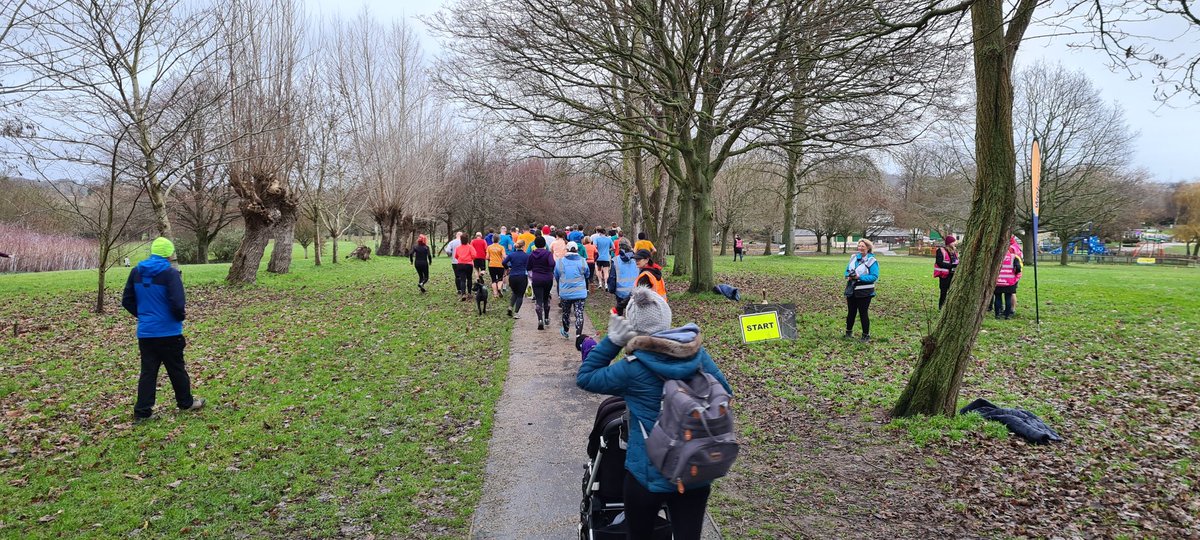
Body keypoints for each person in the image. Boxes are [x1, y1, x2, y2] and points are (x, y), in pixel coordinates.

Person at [576, 288, 732, 540]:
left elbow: (585, 378)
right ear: (667, 318)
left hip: (647, 476)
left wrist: (612, 341)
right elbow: (725, 393)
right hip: (695, 468)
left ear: (633, 327)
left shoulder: (632, 368)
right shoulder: (698, 355)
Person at [121, 237, 204, 422]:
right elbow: (178, 303)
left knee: (148, 372)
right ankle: (186, 403)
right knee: (176, 369)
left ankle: (142, 412)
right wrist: (179, 317)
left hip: (146, 332)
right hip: (169, 332)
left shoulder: (136, 272)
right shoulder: (170, 273)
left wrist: (143, 316)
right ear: (169, 254)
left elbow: (127, 300)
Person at [844, 239, 879, 343]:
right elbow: (846, 270)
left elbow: (874, 276)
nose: (860, 248)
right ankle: (848, 332)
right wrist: (848, 276)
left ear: (868, 248)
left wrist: (859, 277)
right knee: (851, 312)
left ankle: (865, 335)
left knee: (863, 313)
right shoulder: (853, 258)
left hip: (865, 292)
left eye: (863, 246)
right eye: (859, 246)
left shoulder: (872, 261)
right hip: (852, 289)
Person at [555, 241, 590, 339]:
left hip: (565, 293)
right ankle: (578, 334)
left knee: (566, 313)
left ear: (567, 250)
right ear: (577, 250)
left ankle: (566, 331)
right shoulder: (583, 261)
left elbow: (557, 276)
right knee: (579, 313)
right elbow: (587, 275)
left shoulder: (560, 262)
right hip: (580, 293)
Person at [528, 236, 556, 330]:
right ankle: (547, 318)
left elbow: (528, 267)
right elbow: (552, 264)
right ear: (544, 244)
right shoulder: (548, 254)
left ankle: (540, 320)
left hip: (536, 278)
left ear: (535, 244)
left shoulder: (532, 255)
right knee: (546, 298)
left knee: (538, 299)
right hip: (548, 278)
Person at [993, 235, 1022, 319]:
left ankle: (997, 315)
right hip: (1009, 281)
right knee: (1008, 298)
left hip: (998, 281)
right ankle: (1007, 315)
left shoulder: (997, 257)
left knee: (997, 298)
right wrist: (1014, 274)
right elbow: (1018, 268)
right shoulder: (1013, 257)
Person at [503, 239, 530, 318]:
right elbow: (529, 266)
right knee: (520, 295)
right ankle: (516, 313)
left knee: (514, 292)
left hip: (512, 276)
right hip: (522, 276)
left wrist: (507, 268)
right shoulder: (526, 256)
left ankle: (510, 307)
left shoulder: (511, 255)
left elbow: (504, 262)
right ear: (523, 246)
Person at [612, 239, 639, 315]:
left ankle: (620, 322)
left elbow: (612, 278)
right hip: (635, 291)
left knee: (619, 310)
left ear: (620, 247)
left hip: (620, 291)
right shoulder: (637, 259)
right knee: (633, 311)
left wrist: (612, 289)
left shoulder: (615, 260)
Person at [935, 235, 960, 309]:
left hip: (953, 274)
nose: (955, 243)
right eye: (953, 242)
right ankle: (941, 306)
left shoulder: (954, 251)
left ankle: (949, 306)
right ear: (949, 243)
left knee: (952, 291)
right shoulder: (941, 250)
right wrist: (951, 265)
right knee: (944, 291)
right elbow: (939, 262)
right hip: (944, 275)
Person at [454, 234, 477, 301]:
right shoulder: (470, 247)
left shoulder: (458, 248)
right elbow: (474, 255)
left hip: (460, 264)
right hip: (468, 264)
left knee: (462, 280)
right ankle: (469, 293)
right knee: (469, 278)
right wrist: (470, 259)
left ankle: (463, 293)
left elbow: (456, 256)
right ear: (467, 240)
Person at [593, 227, 614, 291]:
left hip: (598, 258)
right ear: (605, 233)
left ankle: (600, 283)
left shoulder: (597, 239)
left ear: (599, 233)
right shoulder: (609, 239)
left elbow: (595, 246)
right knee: (606, 271)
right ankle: (606, 284)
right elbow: (613, 247)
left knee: (599, 270)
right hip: (606, 258)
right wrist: (608, 250)